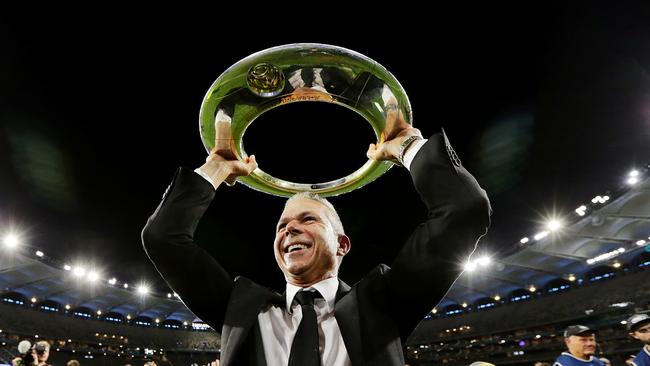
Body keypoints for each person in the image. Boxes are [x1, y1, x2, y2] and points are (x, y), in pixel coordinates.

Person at [142, 110, 491, 365]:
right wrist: (216, 168)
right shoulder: (239, 307)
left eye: (308, 219)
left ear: (342, 244)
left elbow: (464, 210)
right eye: (282, 225)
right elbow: (163, 237)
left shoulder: (383, 304)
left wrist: (408, 146)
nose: (289, 228)